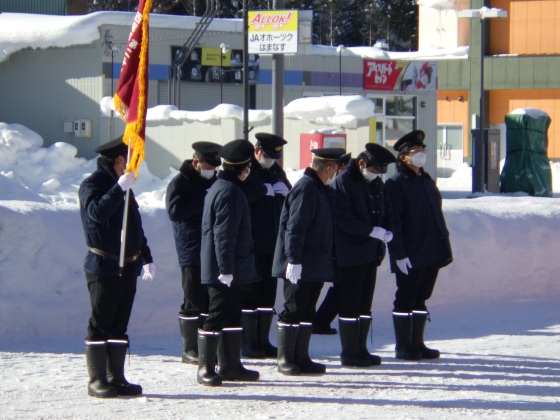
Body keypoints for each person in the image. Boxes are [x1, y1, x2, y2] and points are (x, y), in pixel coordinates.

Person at [79, 136, 155, 398]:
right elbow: (97, 214)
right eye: (131, 160)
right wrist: (118, 189)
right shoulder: (94, 184)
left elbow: (134, 225)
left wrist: (146, 256)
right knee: (100, 324)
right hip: (104, 266)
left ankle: (117, 377)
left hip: (128, 267)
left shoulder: (123, 186)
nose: (134, 166)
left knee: (119, 325)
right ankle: (97, 380)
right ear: (120, 160)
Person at [272, 147, 346, 376]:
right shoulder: (306, 188)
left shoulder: (319, 189)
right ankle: (285, 358)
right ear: (330, 167)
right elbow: (295, 227)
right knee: (293, 308)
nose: (337, 173)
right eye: (337, 168)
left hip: (315, 263)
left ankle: (301, 356)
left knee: (307, 310)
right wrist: (293, 259)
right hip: (300, 263)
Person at [384, 130, 453, 361]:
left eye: (423, 149)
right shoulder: (395, 184)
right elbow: (394, 222)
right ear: (403, 158)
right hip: (411, 253)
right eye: (416, 151)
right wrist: (399, 254)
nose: (422, 153)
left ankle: (418, 344)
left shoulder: (426, 181)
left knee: (421, 297)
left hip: (431, 249)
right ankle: (404, 347)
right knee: (406, 296)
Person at [198, 139, 261, 387]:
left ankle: (230, 365)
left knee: (232, 315)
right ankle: (205, 366)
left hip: (233, 267)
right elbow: (223, 234)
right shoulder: (229, 191)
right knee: (217, 315)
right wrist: (225, 269)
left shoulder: (224, 187)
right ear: (244, 168)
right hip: (225, 269)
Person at [332, 144, 396, 367]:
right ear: (361, 163)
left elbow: (385, 209)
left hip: (371, 252)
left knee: (364, 303)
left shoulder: (375, 183)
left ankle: (361, 348)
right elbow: (341, 217)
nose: (377, 174)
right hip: (350, 252)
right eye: (375, 169)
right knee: (350, 303)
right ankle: (350, 352)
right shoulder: (344, 182)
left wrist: (387, 229)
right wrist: (369, 230)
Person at [166, 141, 222, 365]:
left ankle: (206, 345)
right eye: (208, 166)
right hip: (190, 247)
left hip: (211, 247)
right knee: (193, 297)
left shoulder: (214, 180)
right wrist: (203, 199)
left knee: (209, 298)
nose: (212, 171)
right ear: (196, 162)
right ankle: (189, 348)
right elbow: (175, 211)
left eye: (214, 167)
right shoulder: (180, 182)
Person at [242, 132, 291, 359]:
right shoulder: (246, 168)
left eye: (275, 158)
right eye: (268, 156)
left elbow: (290, 193)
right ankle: (249, 342)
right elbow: (239, 194)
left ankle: (263, 341)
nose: (271, 161)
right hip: (252, 242)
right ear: (257, 151)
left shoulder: (275, 171)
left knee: (267, 296)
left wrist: (286, 193)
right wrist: (263, 190)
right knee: (250, 295)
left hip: (272, 243)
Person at [311, 152, 351, 335]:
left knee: (339, 286)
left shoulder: (333, 186)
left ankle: (318, 320)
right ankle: (318, 320)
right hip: (328, 245)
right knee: (337, 286)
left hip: (333, 245)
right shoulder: (332, 187)